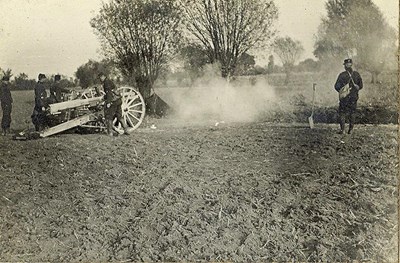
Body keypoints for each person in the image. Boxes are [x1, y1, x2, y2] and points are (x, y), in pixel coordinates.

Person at [334, 59, 363, 134]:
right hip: (354, 97)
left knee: (342, 112)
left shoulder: (342, 75)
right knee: (352, 112)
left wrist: (343, 91)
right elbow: (361, 86)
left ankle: (342, 130)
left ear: (345, 66)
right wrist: (357, 87)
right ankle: (351, 130)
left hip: (345, 98)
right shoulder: (356, 74)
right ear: (351, 65)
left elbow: (336, 86)